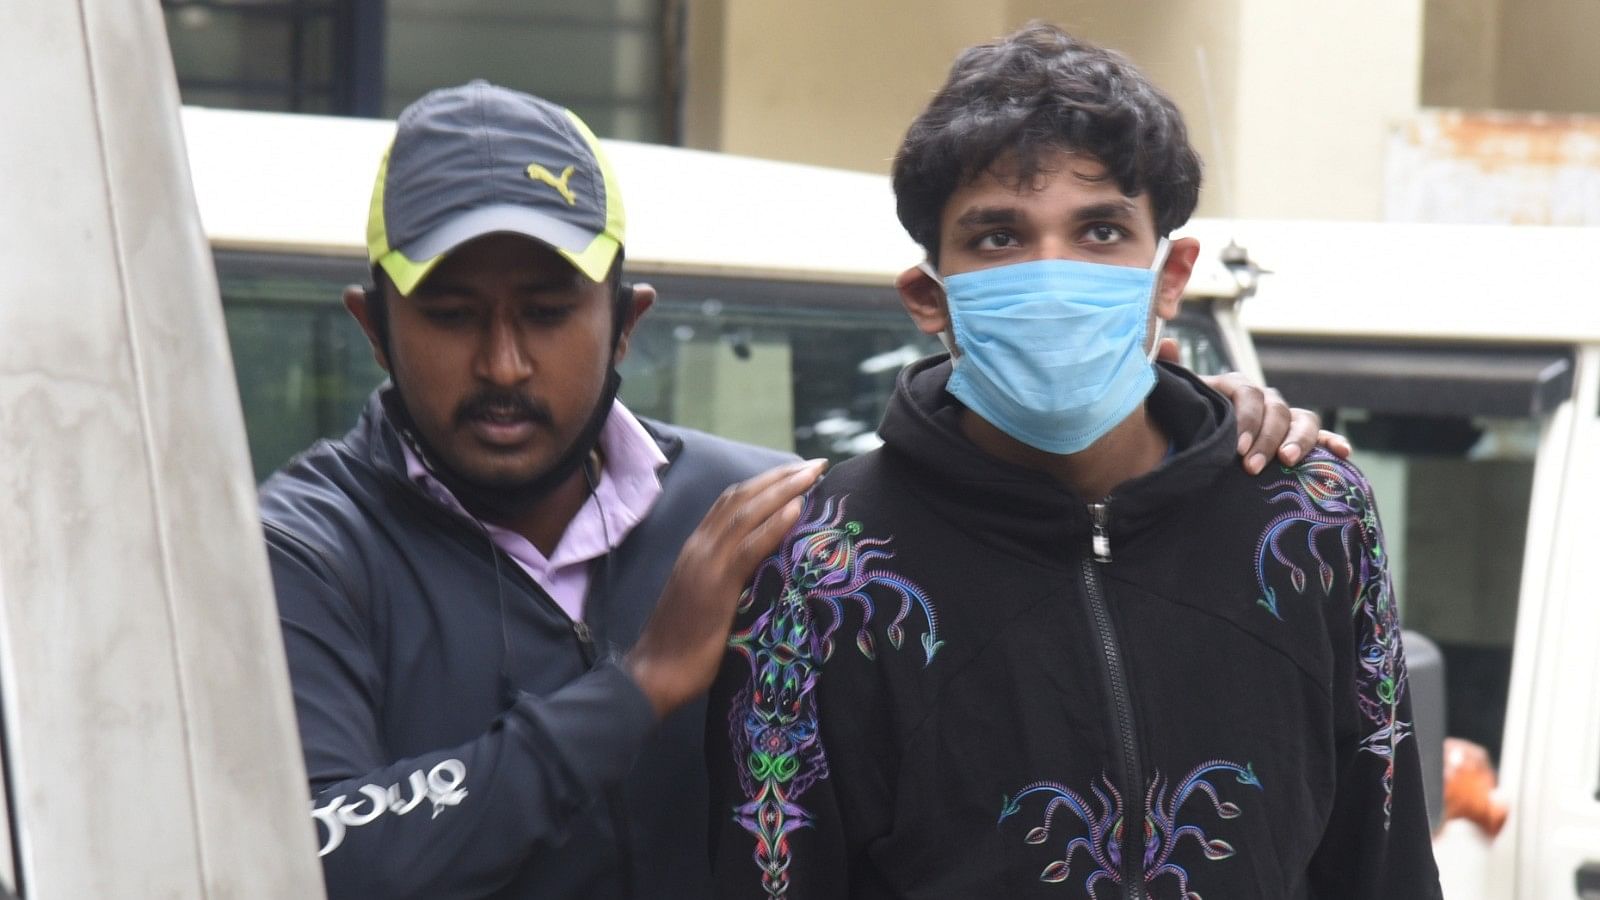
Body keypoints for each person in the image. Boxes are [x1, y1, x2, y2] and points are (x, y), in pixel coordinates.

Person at [259, 81, 1336, 898]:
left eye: (546, 311)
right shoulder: (302, 551)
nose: (501, 364)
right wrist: (639, 688)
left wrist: (1183, 439)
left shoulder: (778, 523)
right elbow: (303, 856)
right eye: (450, 314)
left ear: (627, 320)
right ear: (373, 325)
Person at [707, 24, 1442, 900]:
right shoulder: (822, 562)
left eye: (1099, 232)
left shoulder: (1310, 516)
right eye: (998, 239)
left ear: (1170, 275)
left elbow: (1381, 858)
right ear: (927, 296)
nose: (1053, 276)